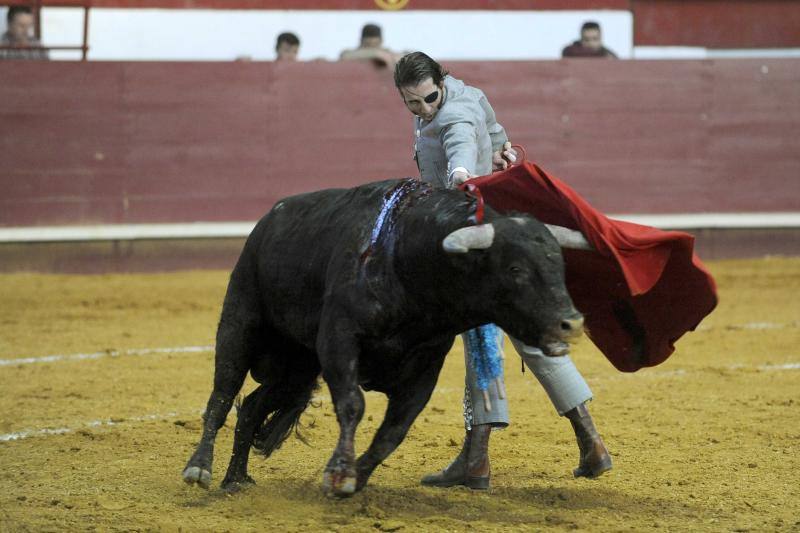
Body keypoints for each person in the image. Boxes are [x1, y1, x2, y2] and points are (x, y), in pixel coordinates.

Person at [393, 51, 612, 489]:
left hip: (477, 243)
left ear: (441, 80)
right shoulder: (468, 94)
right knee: (532, 338)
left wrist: (460, 171)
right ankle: (591, 442)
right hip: (501, 233)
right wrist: (500, 150)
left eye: (428, 98)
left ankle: (476, 462)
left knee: (480, 341)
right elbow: (493, 131)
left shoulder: (452, 111)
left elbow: (458, 138)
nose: (424, 109)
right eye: (412, 103)